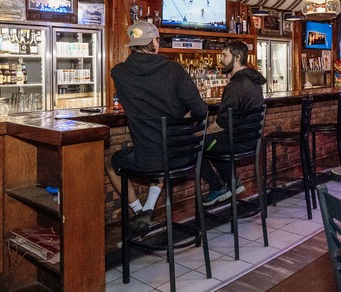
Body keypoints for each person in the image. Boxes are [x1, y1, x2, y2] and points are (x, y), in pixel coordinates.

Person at [105, 21, 208, 232]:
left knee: (110, 161)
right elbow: (201, 110)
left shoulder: (119, 73)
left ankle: (139, 210)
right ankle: (146, 212)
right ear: (154, 41)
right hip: (182, 155)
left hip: (148, 155)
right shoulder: (174, 70)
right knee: (161, 154)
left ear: (132, 45)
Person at [202, 41, 267, 206]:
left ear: (237, 57)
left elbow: (221, 124)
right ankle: (232, 182)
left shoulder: (236, 85)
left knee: (196, 144)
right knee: (213, 141)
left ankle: (218, 187)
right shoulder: (253, 81)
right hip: (250, 140)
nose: (221, 59)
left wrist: (200, 133)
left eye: (224, 55)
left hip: (236, 142)